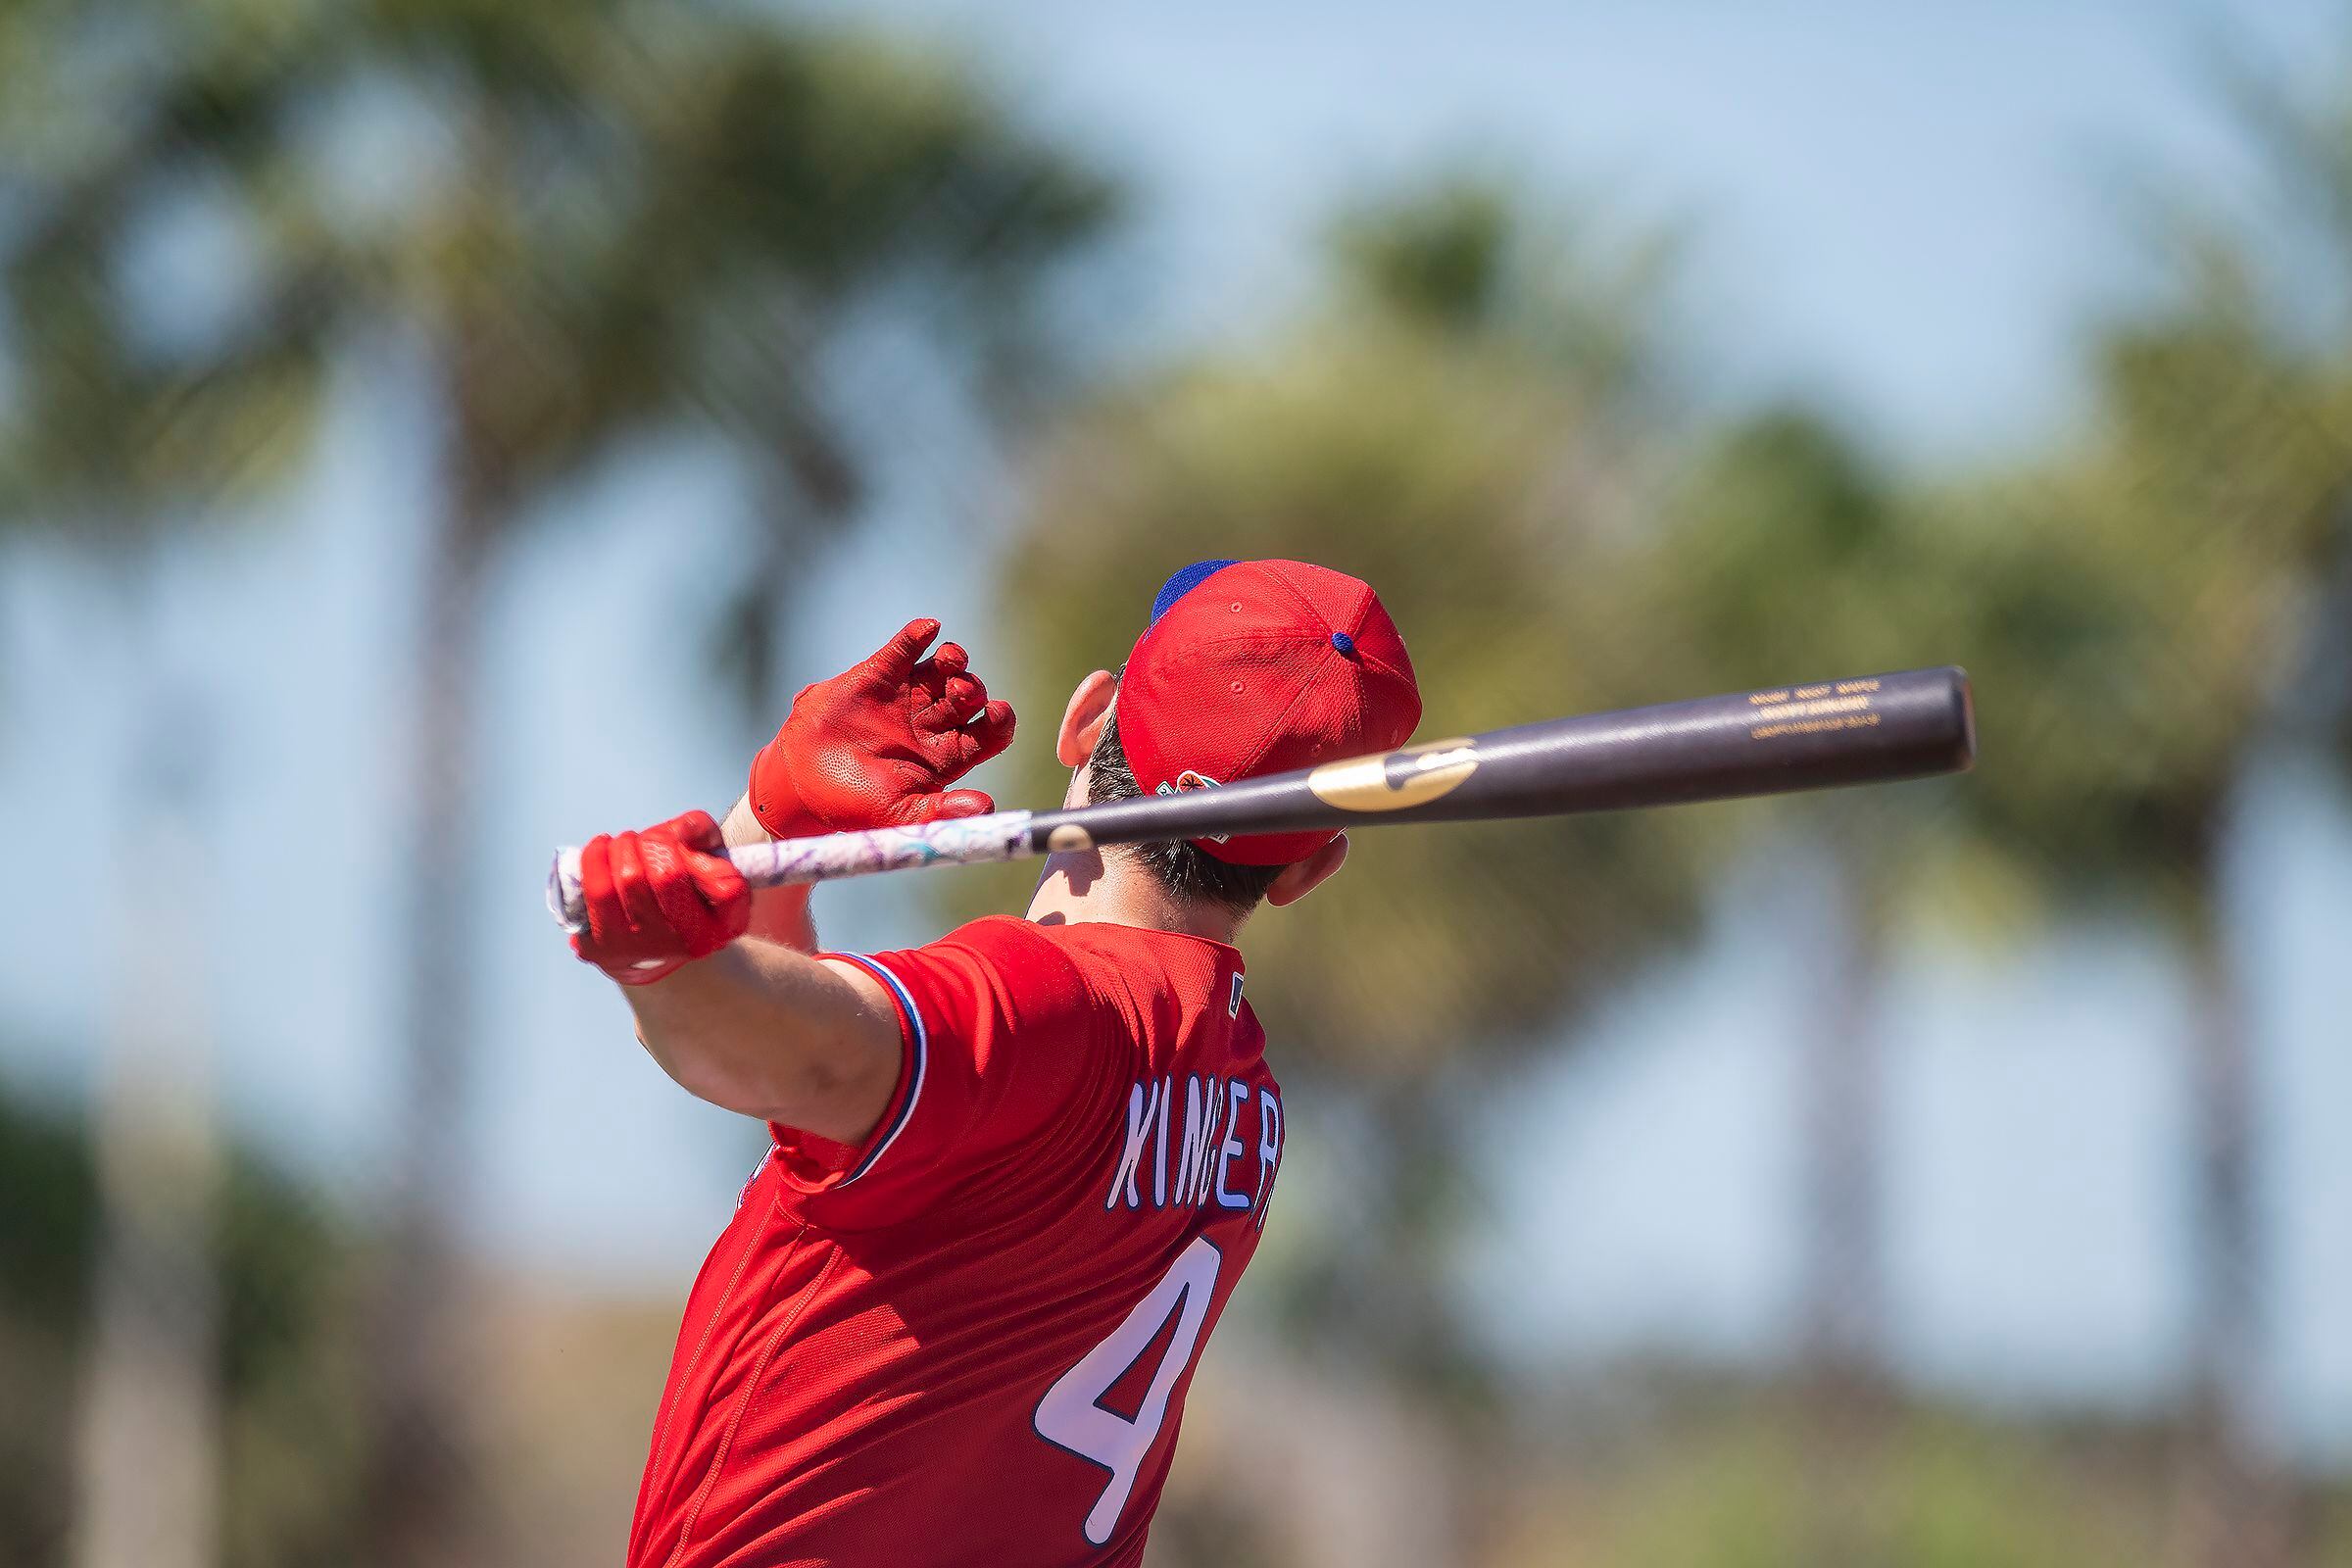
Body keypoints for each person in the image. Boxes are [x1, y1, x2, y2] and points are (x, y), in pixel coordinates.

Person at [568, 560, 1421, 1567]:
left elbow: (781, 1055)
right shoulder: (1241, 1095)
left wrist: (661, 951)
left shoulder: (1041, 1002)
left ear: (1086, 717)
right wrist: (767, 837)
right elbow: (807, 1081)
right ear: (1312, 868)